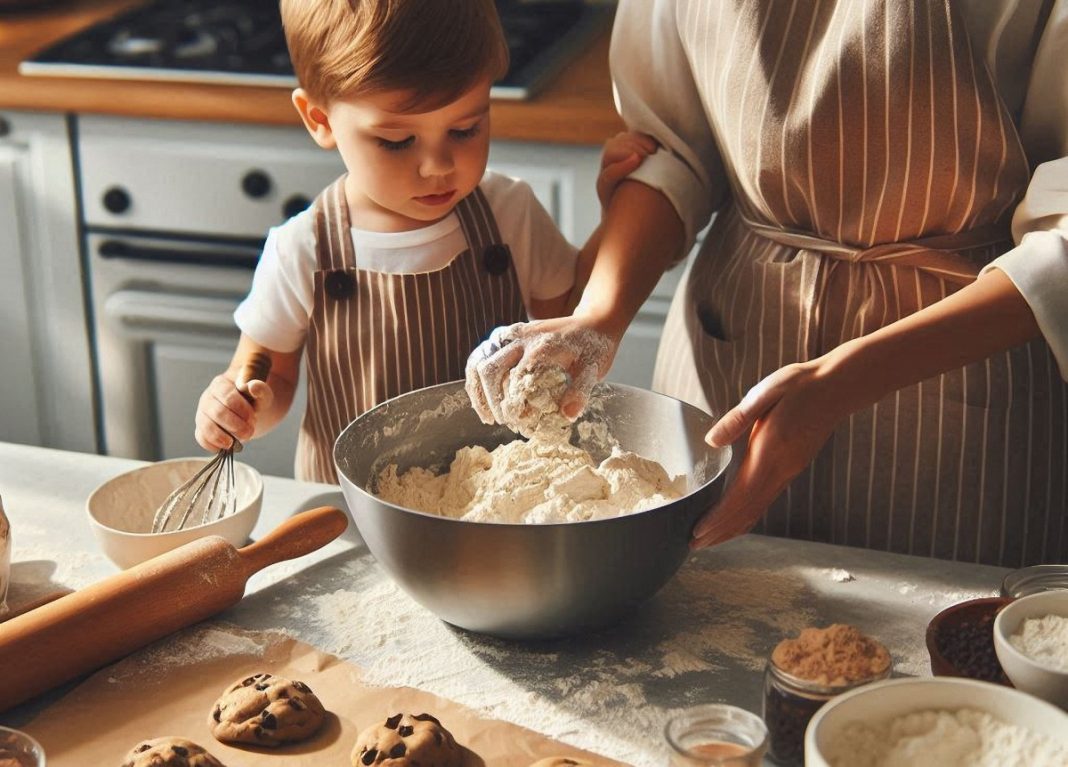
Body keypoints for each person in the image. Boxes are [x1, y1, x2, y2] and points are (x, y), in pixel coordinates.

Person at [466, 0, 1068, 567]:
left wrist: (842, 381)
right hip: (733, 341)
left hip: (965, 368)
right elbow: (671, 149)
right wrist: (595, 317)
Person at [192, 0, 653, 483]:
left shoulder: (506, 213)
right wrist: (238, 406)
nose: (438, 166)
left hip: (489, 496)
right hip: (353, 512)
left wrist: (615, 210)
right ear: (320, 119)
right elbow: (269, 375)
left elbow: (576, 316)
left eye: (465, 129)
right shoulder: (304, 249)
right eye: (396, 141)